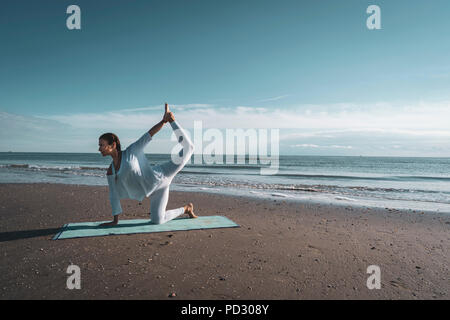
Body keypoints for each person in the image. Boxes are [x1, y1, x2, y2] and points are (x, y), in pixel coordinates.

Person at [98, 103, 197, 227]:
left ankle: (173, 120)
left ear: (112, 145)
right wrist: (115, 220)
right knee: (158, 220)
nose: (99, 148)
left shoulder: (131, 151)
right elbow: (113, 195)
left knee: (189, 148)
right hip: (155, 191)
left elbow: (149, 134)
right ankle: (186, 209)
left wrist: (165, 121)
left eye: (101, 145)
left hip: (164, 173)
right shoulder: (111, 171)